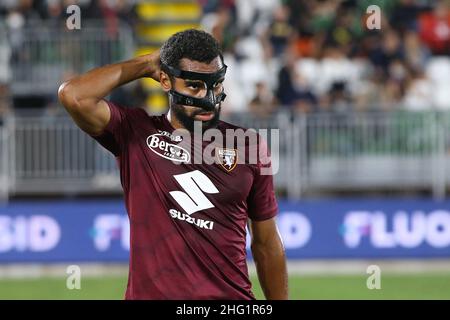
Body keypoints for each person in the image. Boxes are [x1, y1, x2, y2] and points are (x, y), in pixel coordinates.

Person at [58, 29, 288, 300]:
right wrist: (146, 64)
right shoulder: (135, 133)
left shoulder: (249, 146)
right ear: (165, 80)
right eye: (194, 86)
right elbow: (74, 95)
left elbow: (266, 243)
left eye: (215, 85)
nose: (209, 99)